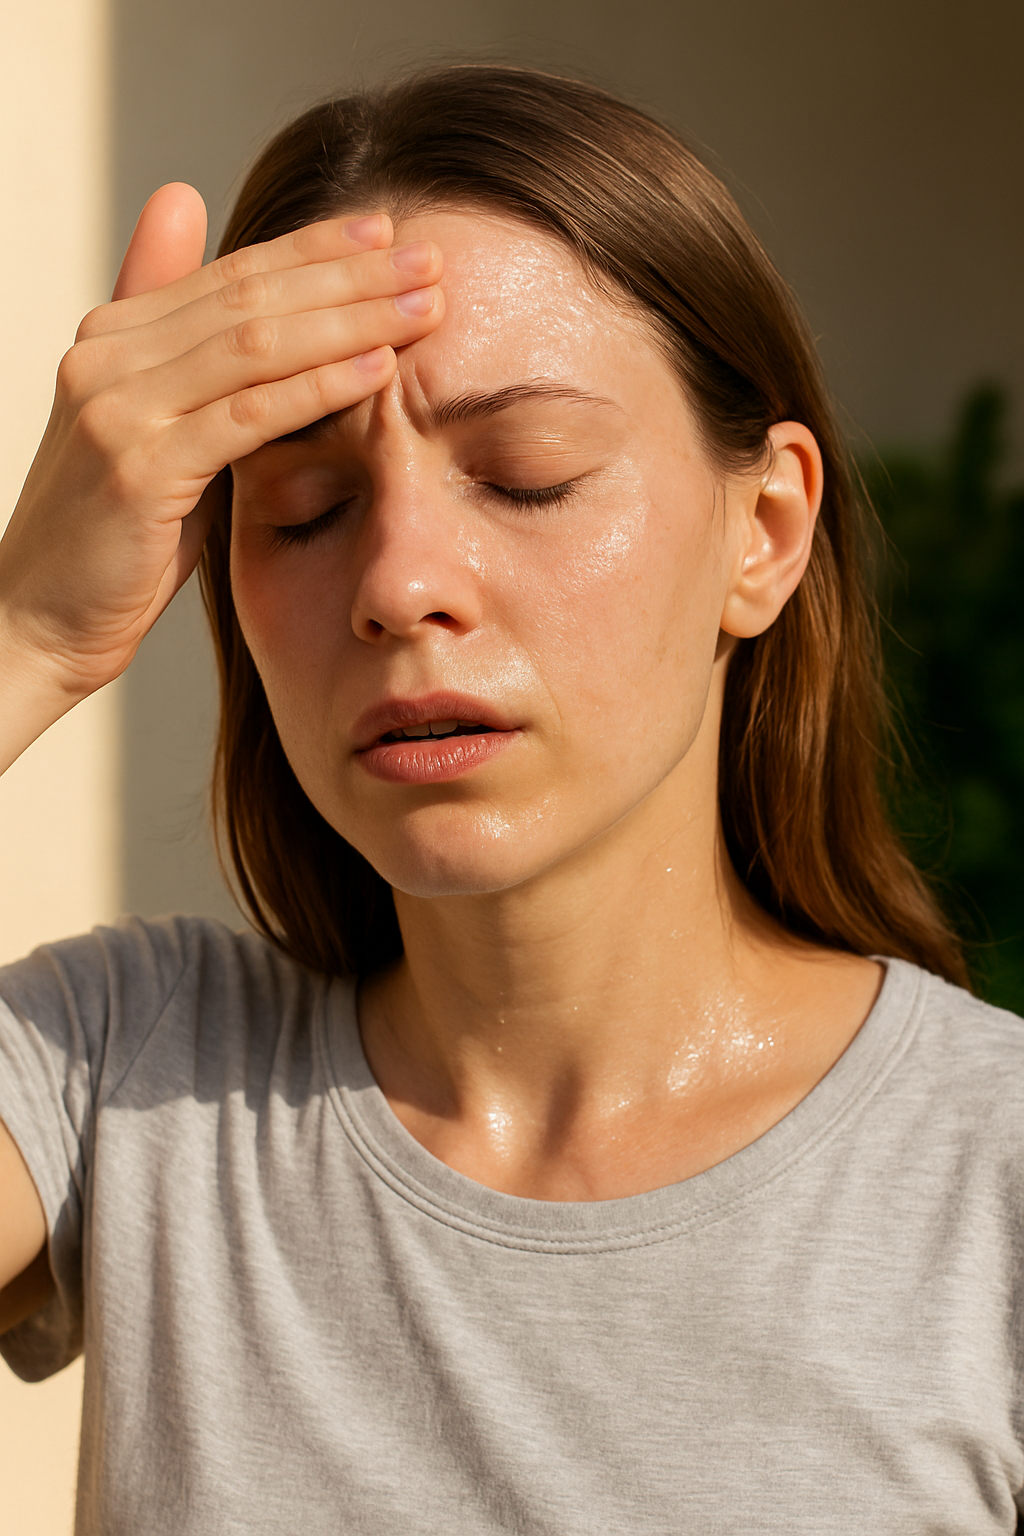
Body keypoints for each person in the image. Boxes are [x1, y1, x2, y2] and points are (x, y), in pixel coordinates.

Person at [0, 64, 1021, 1534]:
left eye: (527, 475)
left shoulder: (989, 1179)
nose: (400, 584)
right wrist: (28, 633)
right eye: (304, 509)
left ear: (768, 528)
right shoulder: (127, 1081)